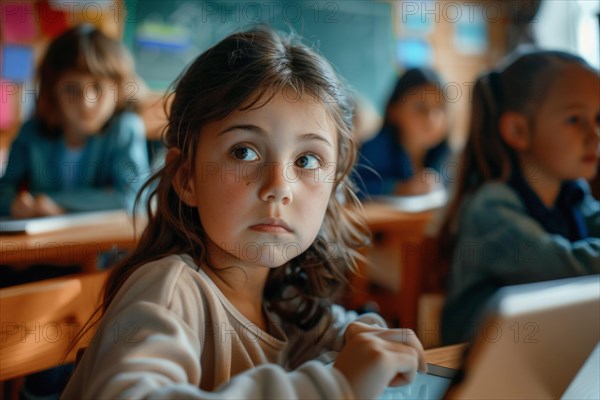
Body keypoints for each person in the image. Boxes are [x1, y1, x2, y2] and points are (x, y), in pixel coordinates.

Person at [61, 28, 427, 399]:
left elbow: (332, 332)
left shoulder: (283, 299)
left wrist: (362, 336)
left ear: (333, 187)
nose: (278, 186)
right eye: (244, 152)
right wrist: (335, 386)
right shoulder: (170, 291)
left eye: (306, 160)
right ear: (187, 177)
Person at [438, 50, 600, 345]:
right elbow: (565, 268)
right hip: (480, 365)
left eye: (598, 118)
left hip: (547, 349)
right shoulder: (490, 207)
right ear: (518, 130)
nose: (595, 135)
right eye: (575, 119)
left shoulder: (573, 195)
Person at [0, 24, 150, 218]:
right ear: (53, 93)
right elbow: (3, 193)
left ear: (119, 89)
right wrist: (14, 204)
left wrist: (55, 203)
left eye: (98, 87)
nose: (86, 103)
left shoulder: (125, 128)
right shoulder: (32, 132)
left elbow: (133, 197)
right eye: (71, 90)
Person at [356, 67, 451, 197]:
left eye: (440, 108)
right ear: (393, 110)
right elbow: (352, 186)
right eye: (420, 108)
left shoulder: (447, 156)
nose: (432, 120)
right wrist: (398, 189)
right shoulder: (372, 151)